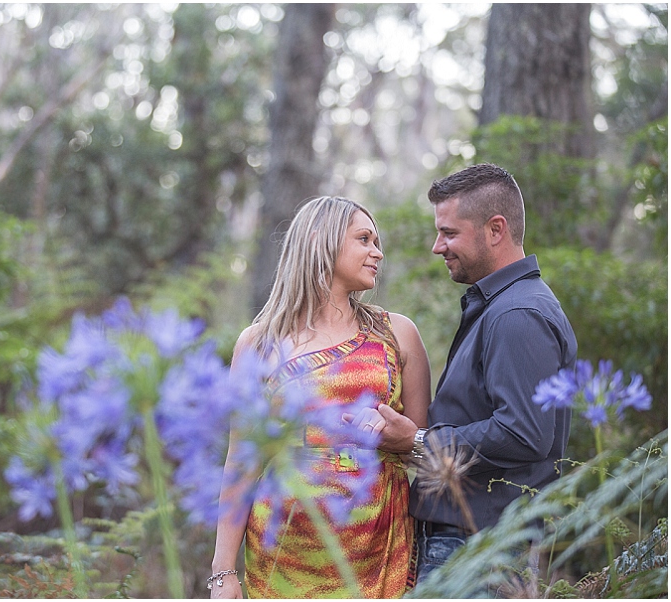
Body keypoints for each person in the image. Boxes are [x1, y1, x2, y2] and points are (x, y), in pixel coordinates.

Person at [356, 163, 578, 584]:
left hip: (479, 549)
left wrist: (419, 441)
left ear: (495, 229)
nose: (437, 247)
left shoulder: (518, 313)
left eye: (449, 233)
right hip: (470, 544)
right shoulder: (501, 305)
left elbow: (524, 432)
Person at [209, 196, 431, 598]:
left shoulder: (396, 334)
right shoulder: (259, 345)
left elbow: (424, 448)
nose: (377, 252)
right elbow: (241, 462)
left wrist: (399, 436)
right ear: (319, 242)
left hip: (380, 555)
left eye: (377, 241)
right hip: (281, 561)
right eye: (364, 239)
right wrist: (223, 571)